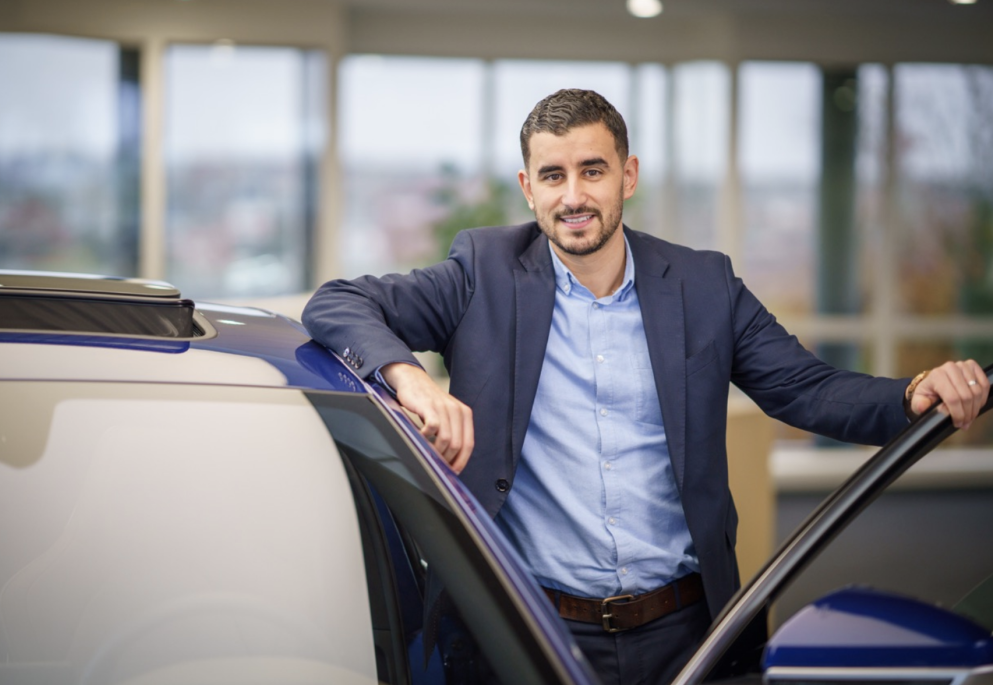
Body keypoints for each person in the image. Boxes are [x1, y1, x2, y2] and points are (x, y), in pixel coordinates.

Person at [303, 89, 989, 685]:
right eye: (553, 175)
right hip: (529, 634)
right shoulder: (482, 272)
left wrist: (911, 395)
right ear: (527, 186)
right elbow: (335, 304)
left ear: (627, 175)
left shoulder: (703, 285)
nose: (573, 196)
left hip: (687, 636)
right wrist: (412, 382)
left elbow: (807, 389)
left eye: (592, 170)